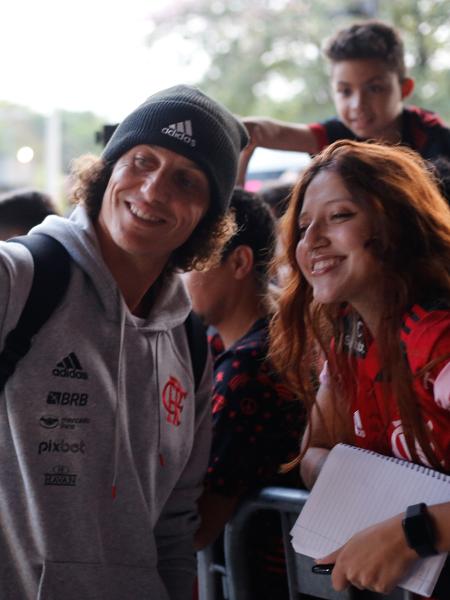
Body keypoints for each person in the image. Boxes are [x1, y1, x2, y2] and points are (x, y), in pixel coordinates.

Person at [0, 84, 248, 600]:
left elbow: (175, 528)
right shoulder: (23, 280)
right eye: (141, 160)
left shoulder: (189, 340)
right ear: (107, 171)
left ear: (207, 218)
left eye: (186, 180)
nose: (154, 190)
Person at [268, 139, 450, 598]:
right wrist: (370, 492)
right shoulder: (350, 340)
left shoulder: (439, 340)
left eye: (340, 216)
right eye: (304, 225)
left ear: (394, 224)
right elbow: (314, 453)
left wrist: (412, 531)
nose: (310, 242)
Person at [185, 188, 304, 598]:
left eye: (192, 263)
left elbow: (199, 525)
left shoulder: (249, 369)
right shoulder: (282, 337)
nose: (178, 278)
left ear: (239, 262)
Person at [239, 20, 450, 184]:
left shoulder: (434, 138)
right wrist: (236, 129)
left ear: (405, 89)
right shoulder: (335, 136)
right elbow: (270, 132)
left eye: (374, 88)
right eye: (345, 91)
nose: (358, 104)